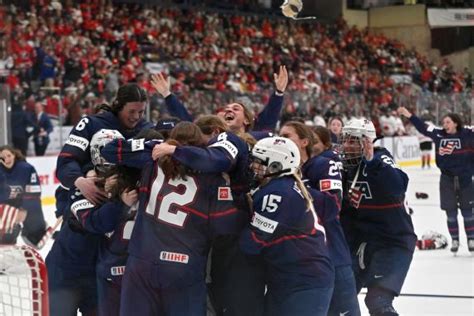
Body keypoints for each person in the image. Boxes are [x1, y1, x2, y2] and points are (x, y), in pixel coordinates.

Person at [119, 122, 242, 315]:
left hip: (142, 260)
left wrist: (149, 145)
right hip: (184, 265)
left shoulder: (152, 162)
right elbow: (224, 225)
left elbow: (110, 150)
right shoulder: (212, 178)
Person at [240, 136, 334, 316]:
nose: (253, 166)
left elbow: (251, 243)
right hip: (294, 278)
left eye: (259, 162)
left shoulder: (277, 193)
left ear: (276, 166)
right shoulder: (284, 186)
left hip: (303, 282)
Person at [279, 122, 359, 316]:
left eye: (286, 136)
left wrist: (294, 187)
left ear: (305, 142)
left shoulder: (323, 164)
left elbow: (332, 206)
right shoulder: (278, 174)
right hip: (299, 264)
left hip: (332, 257)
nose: (280, 140)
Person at [339, 118, 416, 316]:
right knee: (341, 295)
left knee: (378, 300)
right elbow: (347, 213)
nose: (346, 145)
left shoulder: (381, 159)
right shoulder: (346, 168)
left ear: (367, 141)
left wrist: (371, 160)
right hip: (364, 242)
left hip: (393, 242)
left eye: (352, 141)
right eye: (345, 140)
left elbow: (398, 187)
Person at [46, 129, 125, 316]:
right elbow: (95, 222)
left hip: (98, 272)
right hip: (66, 270)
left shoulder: (125, 182)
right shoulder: (81, 183)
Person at [56, 83, 152, 208]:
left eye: (141, 112)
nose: (136, 117)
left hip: (130, 205)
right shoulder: (90, 124)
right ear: (119, 106)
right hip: (91, 203)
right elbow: (66, 160)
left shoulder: (147, 130)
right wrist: (80, 181)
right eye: (132, 111)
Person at [398, 107, 474, 253]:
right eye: (444, 122)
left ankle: (471, 239)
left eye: (448, 122)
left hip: (465, 179)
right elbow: (422, 127)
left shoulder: (468, 134)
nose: (445, 125)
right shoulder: (439, 134)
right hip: (447, 180)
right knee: (450, 212)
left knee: (468, 211)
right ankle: (455, 241)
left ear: (456, 123)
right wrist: (409, 115)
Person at [150, 66, 288, 139]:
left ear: (246, 120)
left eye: (236, 108)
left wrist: (279, 93)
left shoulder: (255, 136)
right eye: (225, 109)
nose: (229, 110)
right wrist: (167, 95)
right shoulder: (206, 138)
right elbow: (186, 121)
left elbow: (269, 117)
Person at [0, 145, 48, 247]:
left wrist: (24, 210)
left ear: (14, 155)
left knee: (36, 233)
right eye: (2, 157)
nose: (6, 159)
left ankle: (35, 231)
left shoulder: (26, 169)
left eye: (9, 155)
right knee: (7, 234)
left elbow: (34, 193)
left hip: (25, 203)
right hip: (5, 206)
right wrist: (8, 213)